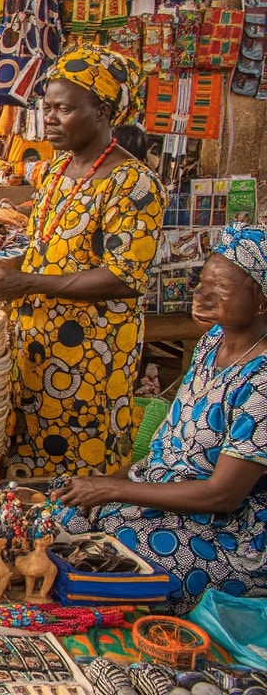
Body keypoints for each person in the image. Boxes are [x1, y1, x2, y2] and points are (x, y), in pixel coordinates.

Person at [0, 46, 166, 478]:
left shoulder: (133, 183)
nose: (51, 118)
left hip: (90, 353)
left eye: (64, 109)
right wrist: (8, 267)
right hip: (35, 341)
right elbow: (47, 246)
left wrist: (26, 283)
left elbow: (123, 277)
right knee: (24, 457)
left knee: (77, 464)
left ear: (103, 111)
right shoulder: (59, 170)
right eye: (47, 107)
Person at [57, 226, 267, 612]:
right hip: (162, 494)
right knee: (61, 516)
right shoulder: (211, 344)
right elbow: (168, 451)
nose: (200, 295)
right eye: (202, 282)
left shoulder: (262, 382)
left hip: (228, 530)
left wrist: (111, 490)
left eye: (219, 288)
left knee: (121, 554)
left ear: (261, 301)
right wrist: (108, 483)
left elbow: (222, 495)